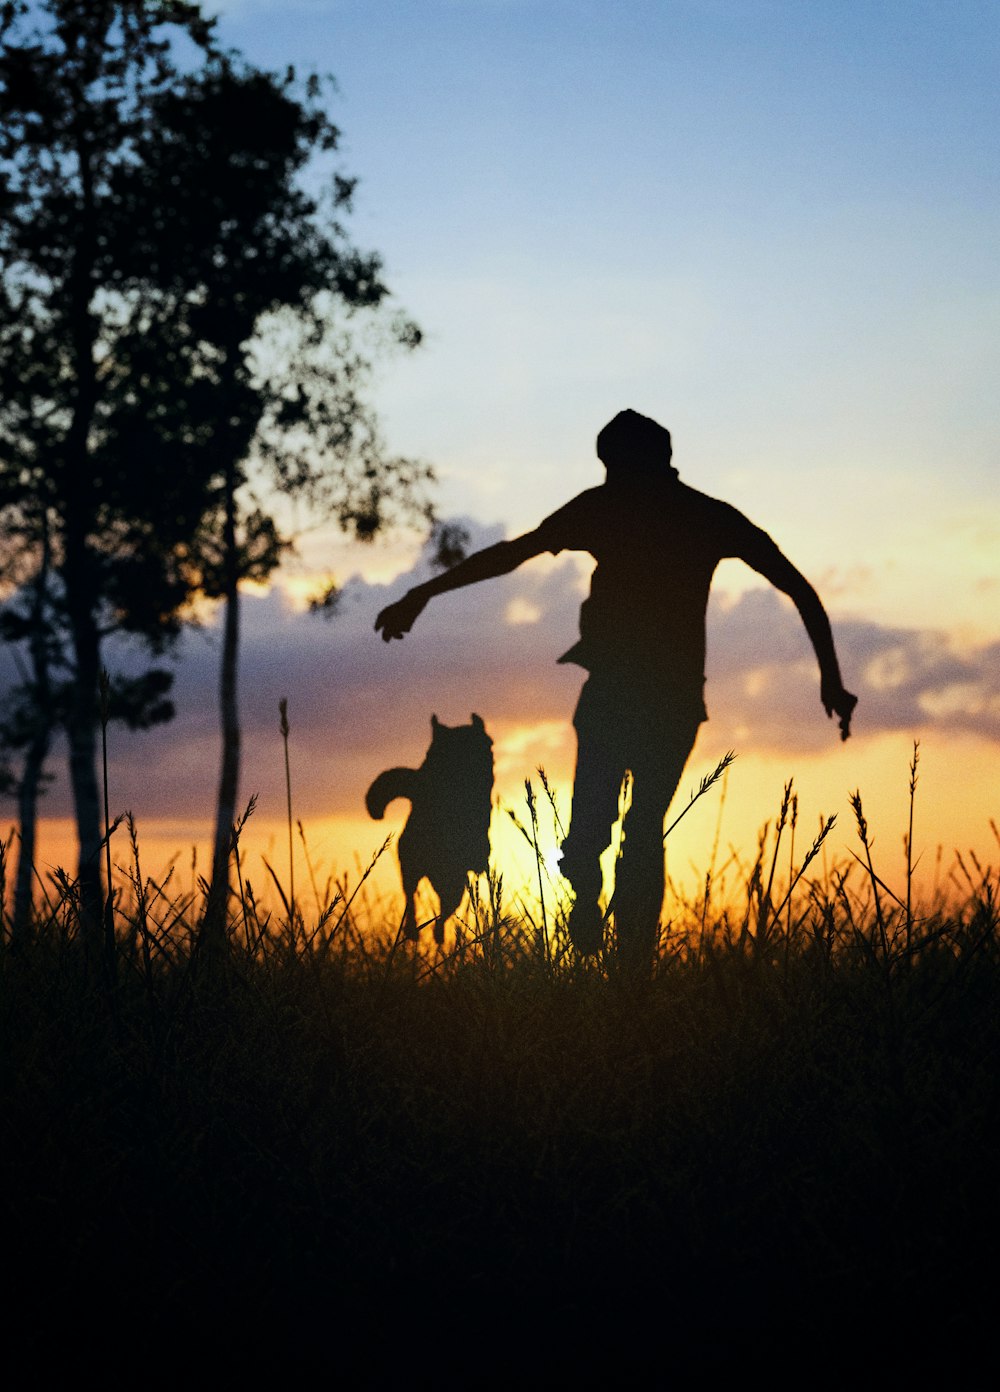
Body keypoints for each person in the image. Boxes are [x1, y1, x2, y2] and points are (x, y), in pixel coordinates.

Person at [375, 409, 857, 967]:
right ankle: (608, 935)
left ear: (631, 462)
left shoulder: (622, 508)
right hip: (655, 698)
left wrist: (423, 595)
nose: (608, 477)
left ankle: (629, 966)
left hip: (634, 697)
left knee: (631, 832)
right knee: (610, 838)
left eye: (611, 466)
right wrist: (831, 677)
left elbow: (514, 554)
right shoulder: (695, 515)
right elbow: (800, 589)